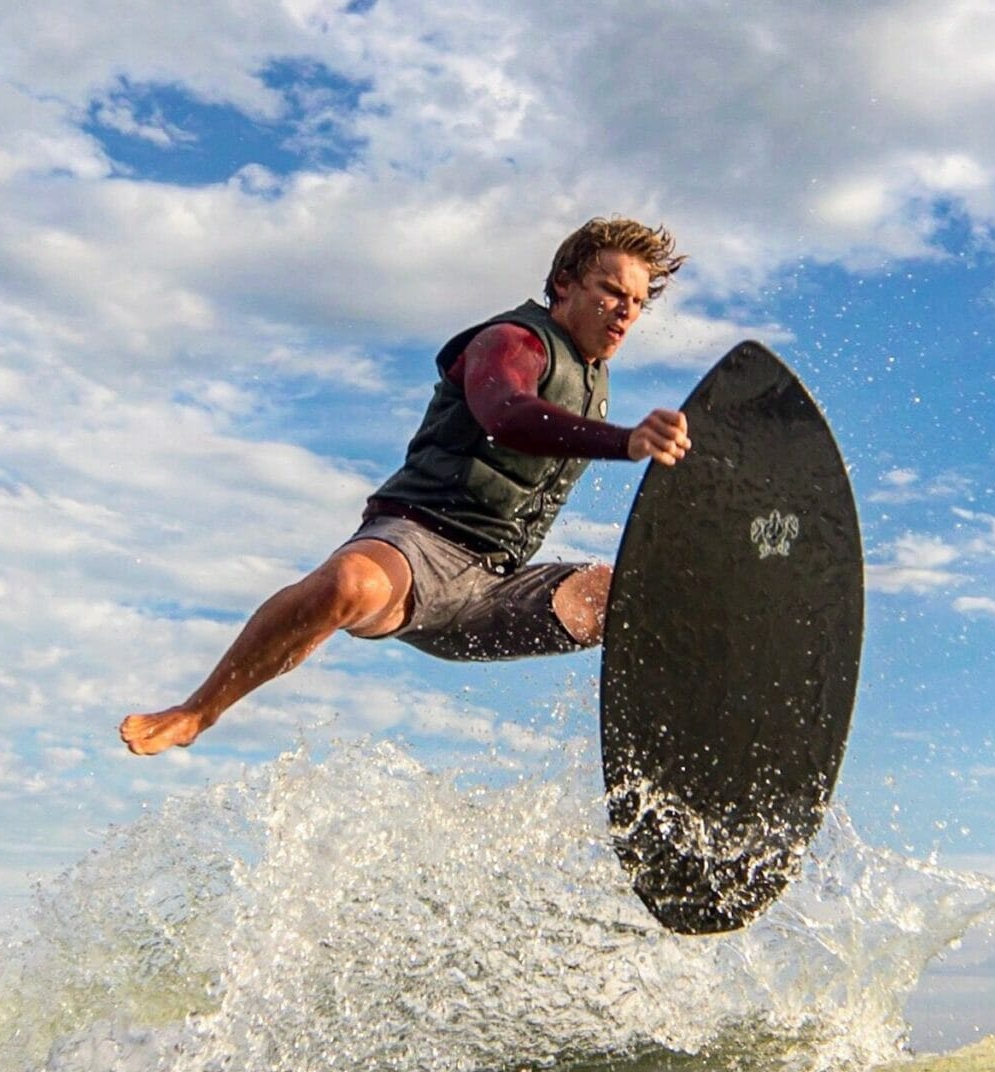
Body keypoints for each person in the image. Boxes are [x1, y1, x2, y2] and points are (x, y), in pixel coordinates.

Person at [119, 217, 692, 756]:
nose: (624, 312)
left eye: (638, 303)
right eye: (611, 291)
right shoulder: (512, 341)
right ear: (564, 283)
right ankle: (198, 712)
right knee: (349, 584)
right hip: (414, 549)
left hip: (495, 586)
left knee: (634, 598)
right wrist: (624, 443)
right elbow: (505, 412)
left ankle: (679, 760)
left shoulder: (593, 376)